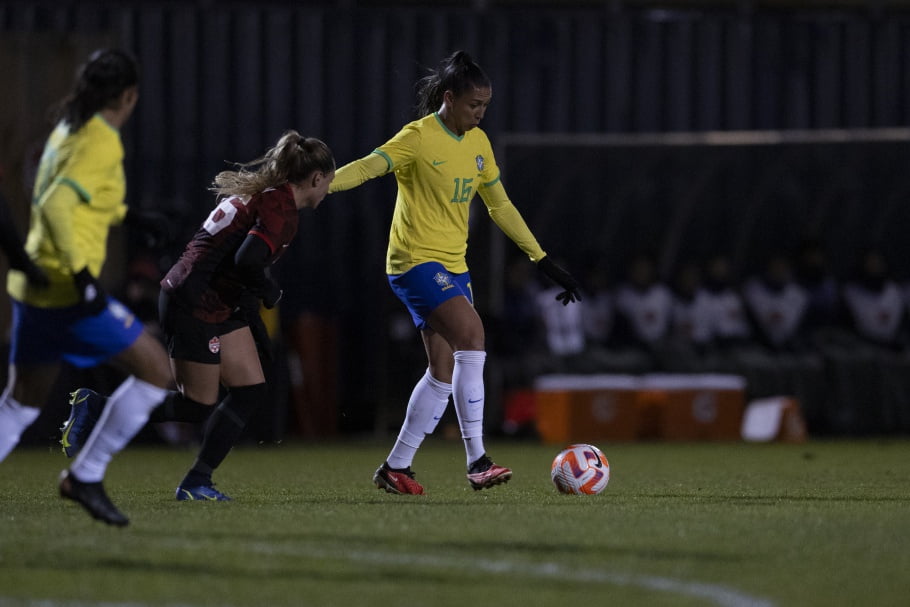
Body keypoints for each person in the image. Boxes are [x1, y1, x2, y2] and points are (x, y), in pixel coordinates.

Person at [328, 50, 581, 495]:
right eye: (473, 105)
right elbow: (370, 166)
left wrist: (541, 259)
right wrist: (320, 184)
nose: (480, 113)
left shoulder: (479, 144)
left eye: (485, 105)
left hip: (453, 265)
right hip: (413, 261)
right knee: (474, 337)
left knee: (442, 372)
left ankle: (396, 466)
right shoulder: (419, 137)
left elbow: (499, 205)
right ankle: (478, 459)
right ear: (448, 98)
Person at [63, 130, 335, 503]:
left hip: (212, 299)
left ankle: (197, 480)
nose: (327, 191)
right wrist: (269, 291)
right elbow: (246, 261)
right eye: (328, 183)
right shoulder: (281, 209)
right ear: (317, 178)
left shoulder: (266, 196)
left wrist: (254, 324)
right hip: (195, 301)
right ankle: (96, 408)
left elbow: (234, 266)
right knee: (196, 404)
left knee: (250, 389)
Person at [0, 49, 173, 527]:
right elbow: (56, 206)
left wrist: (132, 216)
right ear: (130, 96)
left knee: (20, 402)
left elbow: (78, 198)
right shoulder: (101, 139)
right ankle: (86, 475)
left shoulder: (68, 127)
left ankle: (85, 477)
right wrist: (83, 280)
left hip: (35, 286)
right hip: (67, 293)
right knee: (156, 371)